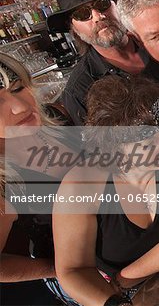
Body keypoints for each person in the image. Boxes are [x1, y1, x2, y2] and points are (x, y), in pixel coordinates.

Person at [53, 75, 159, 305]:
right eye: (148, 144)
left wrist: (123, 279)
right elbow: (73, 270)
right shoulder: (80, 186)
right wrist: (117, 300)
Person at [0, 53, 79, 304]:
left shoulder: (59, 117)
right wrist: (61, 269)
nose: (20, 106)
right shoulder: (4, 183)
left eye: (18, 88)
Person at [46, 0, 150, 126]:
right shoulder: (79, 91)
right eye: (82, 14)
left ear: (117, 4)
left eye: (102, 3)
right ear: (73, 28)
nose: (98, 17)